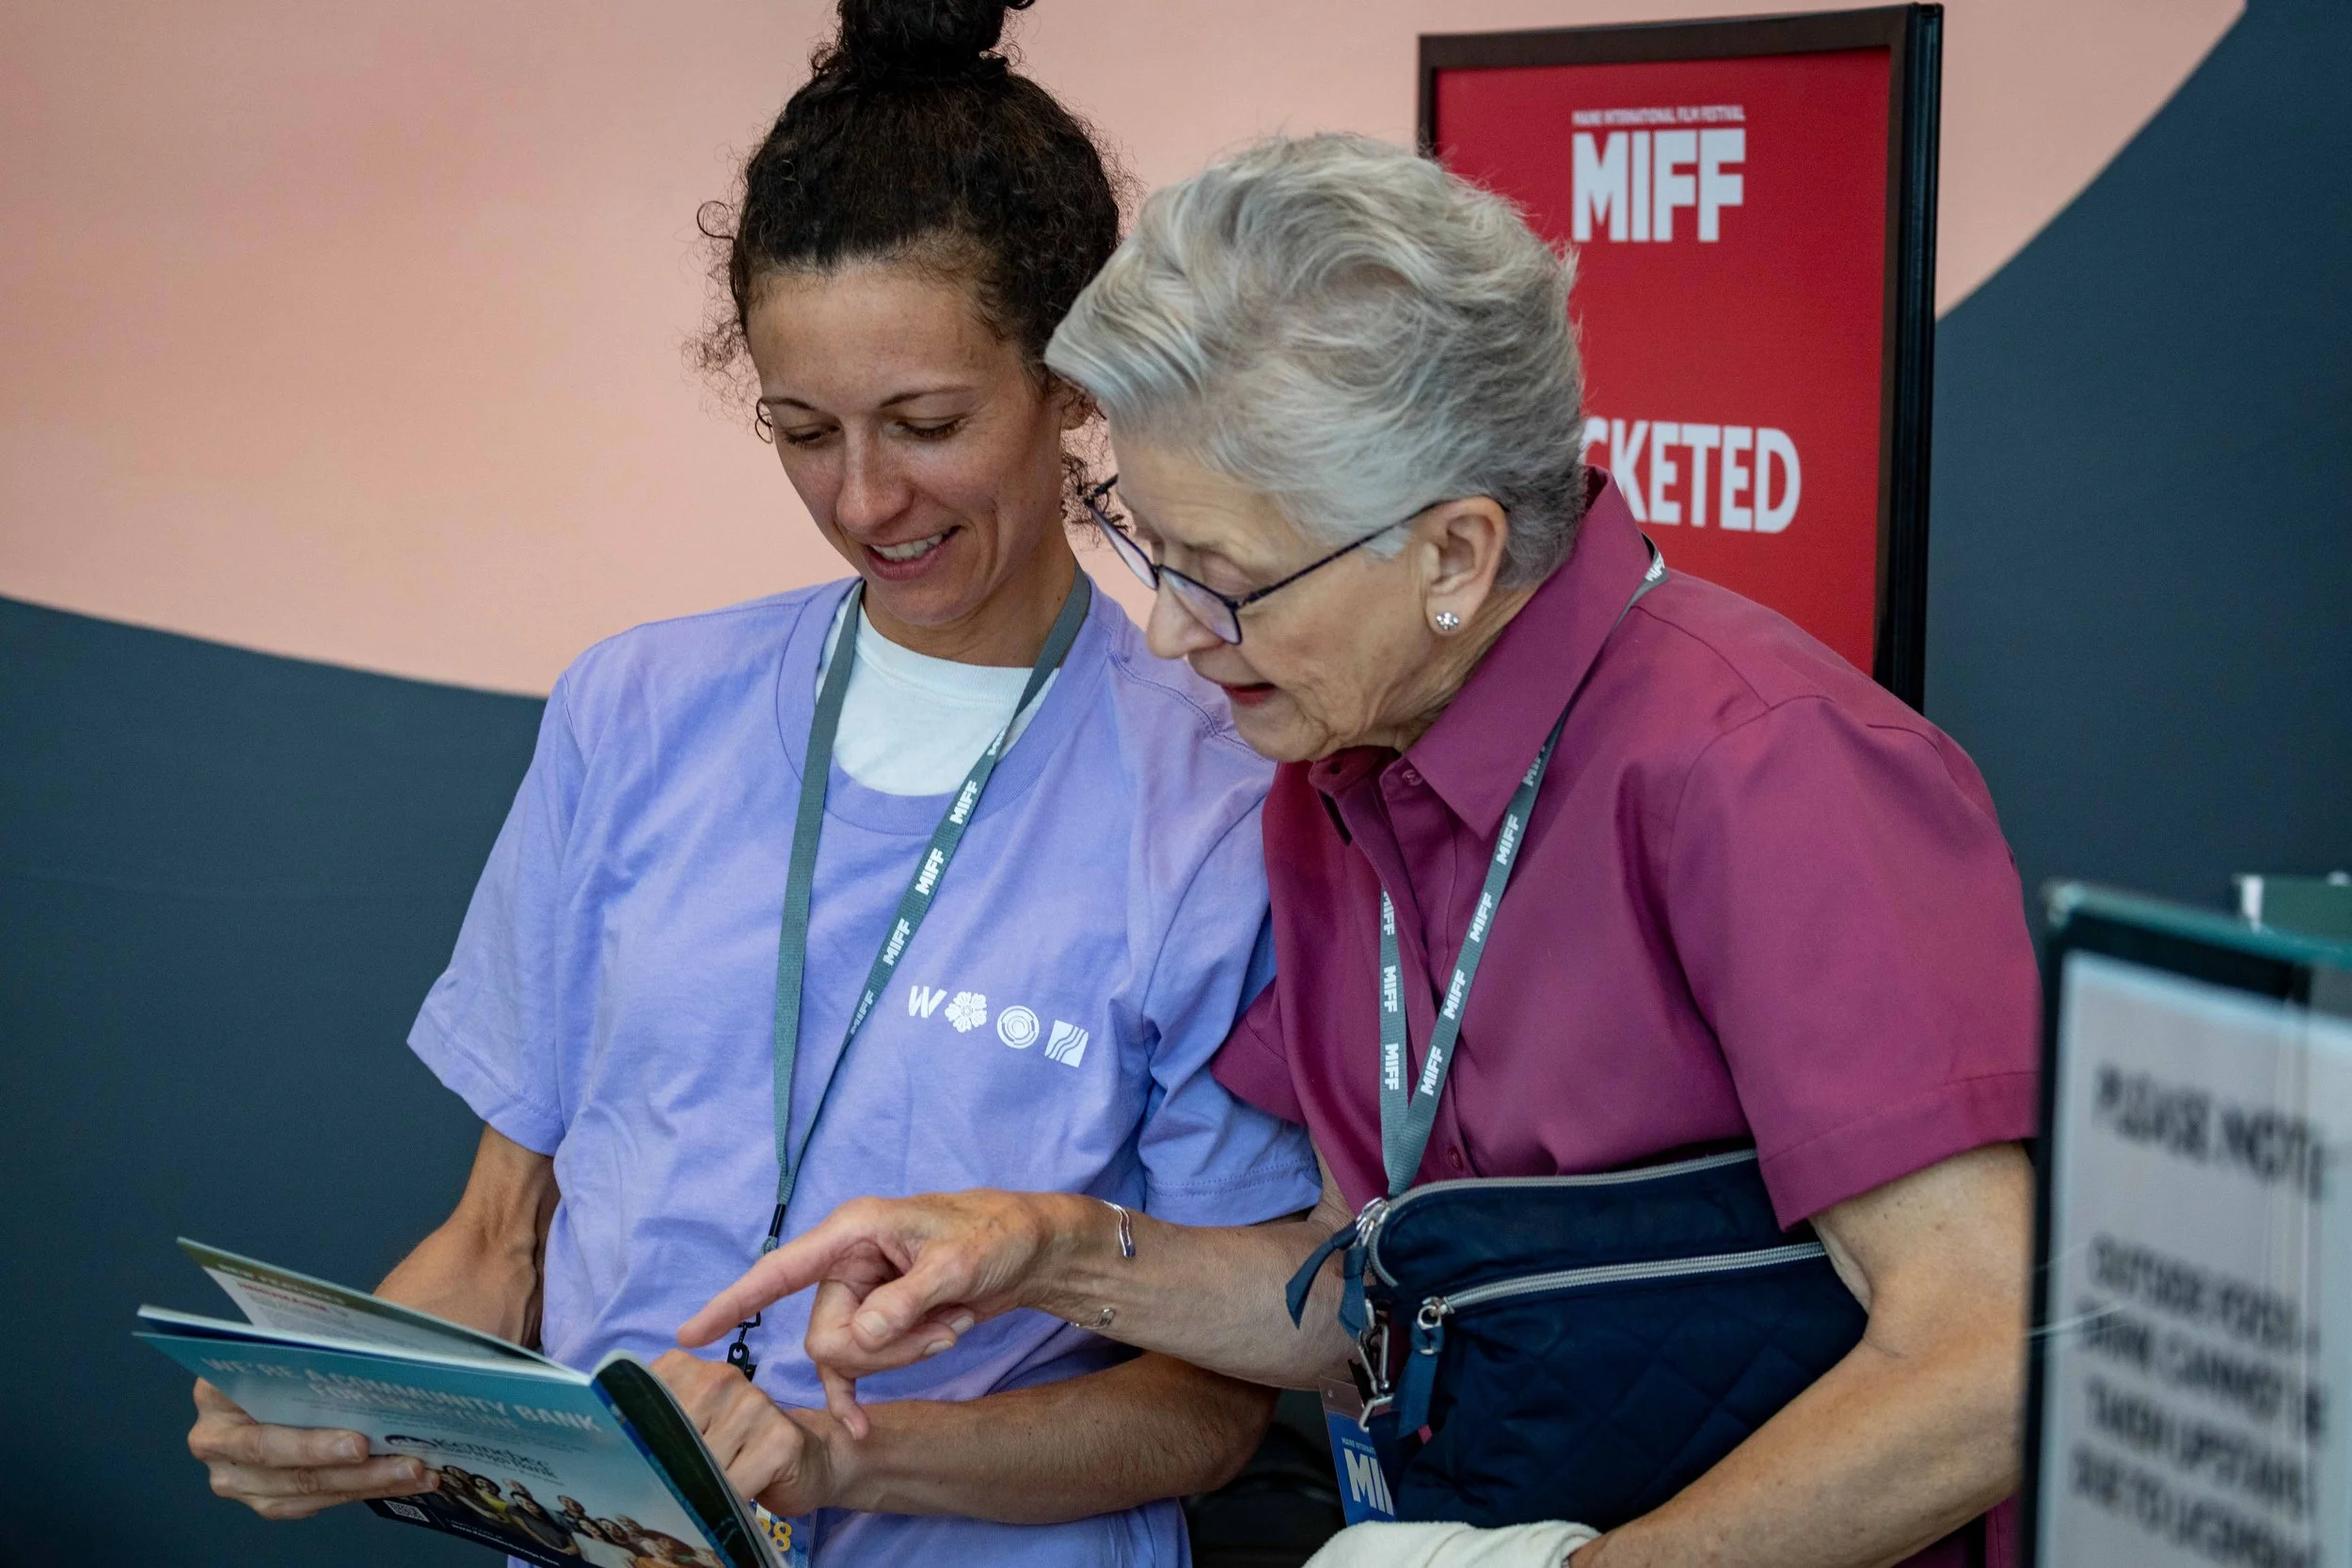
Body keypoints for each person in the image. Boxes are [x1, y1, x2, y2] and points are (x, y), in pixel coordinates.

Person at [686, 133, 2040, 1568]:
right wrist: (1050, 1250)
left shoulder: (1763, 771)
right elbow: (1360, 1290)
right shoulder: (1336, 756)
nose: (1168, 632)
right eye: (1146, 549)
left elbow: (1992, 1351)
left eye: (1226, 580)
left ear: (1453, 555)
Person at [182, 4, 1324, 1563]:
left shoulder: (1212, 803)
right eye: (803, 431)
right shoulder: (637, 712)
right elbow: (497, 1242)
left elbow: (1204, 1410)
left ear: (1074, 382)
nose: (865, 499)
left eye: (927, 424)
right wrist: (359, 1399)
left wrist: (831, 1459)